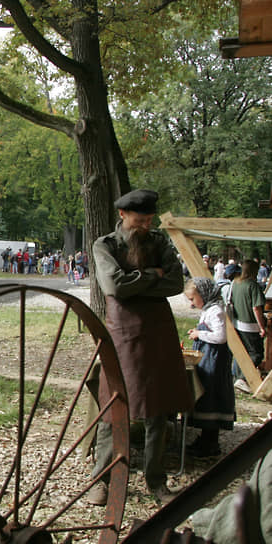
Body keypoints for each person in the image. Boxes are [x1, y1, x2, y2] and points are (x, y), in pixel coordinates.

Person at [88, 188, 192, 506]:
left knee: (158, 409)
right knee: (113, 404)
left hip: (158, 331)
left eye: (148, 220)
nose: (145, 226)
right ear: (122, 215)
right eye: (139, 220)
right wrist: (151, 275)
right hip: (122, 333)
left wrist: (135, 281)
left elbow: (176, 283)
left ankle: (155, 480)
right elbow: (113, 285)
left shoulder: (159, 242)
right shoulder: (105, 245)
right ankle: (101, 479)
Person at [184, 277, 236, 458]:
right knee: (206, 396)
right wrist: (198, 334)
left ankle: (210, 442)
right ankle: (205, 438)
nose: (191, 303)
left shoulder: (216, 311)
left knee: (212, 396)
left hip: (214, 361)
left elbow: (220, 337)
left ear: (203, 294)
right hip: (208, 358)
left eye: (192, 299)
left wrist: (200, 333)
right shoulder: (208, 310)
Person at [231, 259, 266, 394]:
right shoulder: (253, 285)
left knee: (242, 352)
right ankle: (242, 378)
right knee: (256, 354)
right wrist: (262, 326)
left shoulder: (236, 283)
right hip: (251, 325)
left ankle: (236, 377)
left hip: (238, 323)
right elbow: (256, 308)